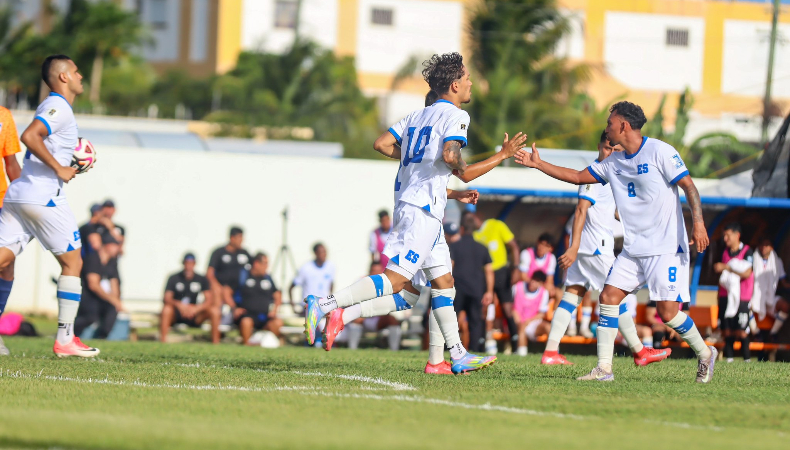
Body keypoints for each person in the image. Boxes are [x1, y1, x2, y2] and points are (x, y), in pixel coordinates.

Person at [306, 53, 525, 374]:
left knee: (444, 281)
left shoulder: (416, 115)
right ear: (454, 85)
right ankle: (324, 304)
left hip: (421, 208)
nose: (471, 83)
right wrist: (500, 155)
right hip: (421, 210)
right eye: (466, 78)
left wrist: (419, 161)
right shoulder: (457, 117)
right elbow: (453, 159)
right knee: (397, 282)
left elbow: (381, 144)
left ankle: (453, 356)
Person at [516, 100, 716, 383]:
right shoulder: (612, 163)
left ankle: (705, 354)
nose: (606, 128)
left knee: (668, 313)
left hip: (666, 248)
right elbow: (576, 177)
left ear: (623, 125)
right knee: (608, 297)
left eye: (609, 122)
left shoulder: (660, 151)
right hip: (634, 249)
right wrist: (538, 164)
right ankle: (604, 369)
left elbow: (690, 187)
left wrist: (698, 224)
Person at [541, 130, 669, 367]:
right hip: (596, 249)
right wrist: (574, 246)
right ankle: (640, 351)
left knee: (572, 296)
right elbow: (581, 210)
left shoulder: (611, 175)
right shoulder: (596, 174)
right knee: (614, 298)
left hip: (587, 249)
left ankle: (550, 351)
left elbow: (615, 212)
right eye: (607, 149)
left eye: (616, 150)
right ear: (599, 146)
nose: (610, 153)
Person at [0, 55, 99, 357]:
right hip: (42, 196)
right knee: (73, 262)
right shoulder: (59, 108)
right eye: (77, 70)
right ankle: (66, 339)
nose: (81, 75)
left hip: (19, 194)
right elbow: (31, 136)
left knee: (3, 261)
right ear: (64, 77)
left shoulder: (53, 107)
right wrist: (59, 167)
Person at [471, 211, 520, 352]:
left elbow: (514, 246)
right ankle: (481, 344)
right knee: (484, 308)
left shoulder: (496, 225)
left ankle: (516, 344)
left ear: (477, 216)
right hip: (485, 274)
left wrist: (516, 268)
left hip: (501, 272)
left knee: (507, 309)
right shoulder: (474, 235)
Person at [450, 212, 493, 352]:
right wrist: (489, 291)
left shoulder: (455, 246)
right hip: (476, 290)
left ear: (461, 229)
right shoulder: (482, 248)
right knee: (475, 323)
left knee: (452, 320)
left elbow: (450, 267)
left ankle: (450, 349)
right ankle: (475, 350)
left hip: (458, 289)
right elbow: (489, 271)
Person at [714, 223, 755, 362]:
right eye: (724, 235)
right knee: (727, 330)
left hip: (742, 297)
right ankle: (729, 360)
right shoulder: (725, 252)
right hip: (725, 296)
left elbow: (747, 273)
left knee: (742, 331)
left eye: (728, 235)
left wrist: (727, 267)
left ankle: (747, 360)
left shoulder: (747, 251)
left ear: (737, 235)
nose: (725, 238)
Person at [0, 105, 22, 356]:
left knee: (7, 263)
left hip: (1, 202)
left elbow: (11, 163)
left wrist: (27, 197)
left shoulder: (3, 115)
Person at [160, 253, 219, 344]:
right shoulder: (174, 278)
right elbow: (167, 298)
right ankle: (163, 340)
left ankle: (216, 342)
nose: (188, 266)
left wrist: (196, 308)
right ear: (183, 263)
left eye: (191, 263)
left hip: (195, 314)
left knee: (215, 311)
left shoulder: (201, 279)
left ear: (195, 264)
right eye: (187, 263)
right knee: (166, 309)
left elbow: (209, 299)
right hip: (178, 313)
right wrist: (179, 305)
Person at [345, 262, 404, 351]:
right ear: (369, 272)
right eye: (374, 271)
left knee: (393, 320)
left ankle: (394, 350)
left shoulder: (387, 284)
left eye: (378, 271)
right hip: (364, 316)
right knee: (357, 319)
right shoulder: (361, 282)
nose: (376, 274)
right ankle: (352, 349)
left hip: (378, 317)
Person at [74, 233, 122, 339]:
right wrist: (113, 300)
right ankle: (70, 334)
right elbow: (93, 284)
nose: (118, 248)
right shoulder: (93, 258)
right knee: (90, 316)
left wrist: (116, 300)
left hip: (102, 296)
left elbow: (114, 282)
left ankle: (101, 337)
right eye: (116, 245)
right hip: (87, 295)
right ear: (108, 245)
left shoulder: (112, 261)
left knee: (112, 310)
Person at [232, 253, 283, 345]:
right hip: (248, 314)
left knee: (278, 323)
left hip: (264, 316)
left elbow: (278, 295)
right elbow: (227, 292)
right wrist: (234, 308)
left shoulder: (268, 278)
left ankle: (265, 342)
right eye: (265, 263)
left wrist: (274, 310)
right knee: (246, 322)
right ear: (256, 264)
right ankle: (247, 344)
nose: (267, 266)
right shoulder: (244, 276)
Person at [207, 226, 252, 315]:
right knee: (218, 292)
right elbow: (209, 273)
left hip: (239, 288)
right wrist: (216, 286)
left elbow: (255, 268)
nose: (241, 241)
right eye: (239, 238)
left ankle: (235, 313)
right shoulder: (219, 252)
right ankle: (219, 318)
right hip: (221, 288)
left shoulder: (244, 253)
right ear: (232, 238)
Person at [752, 238, 790, 339]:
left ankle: (773, 333)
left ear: (771, 247)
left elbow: (783, 282)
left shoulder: (777, 262)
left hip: (770, 297)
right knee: (745, 306)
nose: (764, 247)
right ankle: (756, 333)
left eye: (767, 245)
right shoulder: (753, 258)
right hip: (755, 296)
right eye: (762, 245)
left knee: (785, 306)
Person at [513, 271, 551, 356]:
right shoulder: (517, 287)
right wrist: (519, 322)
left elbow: (541, 314)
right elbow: (513, 309)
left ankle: (551, 353)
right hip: (518, 321)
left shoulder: (544, 293)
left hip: (533, 323)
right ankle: (521, 355)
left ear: (541, 284)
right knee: (521, 326)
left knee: (548, 327)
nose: (533, 282)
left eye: (537, 281)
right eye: (533, 279)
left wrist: (529, 321)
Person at [290, 243, 336, 307]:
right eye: (322, 252)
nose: (324, 254)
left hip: (324, 307)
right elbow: (291, 287)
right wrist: (293, 306)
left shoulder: (330, 266)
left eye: (325, 252)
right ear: (316, 253)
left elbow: (331, 283)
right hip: (309, 306)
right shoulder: (306, 268)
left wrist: (330, 300)